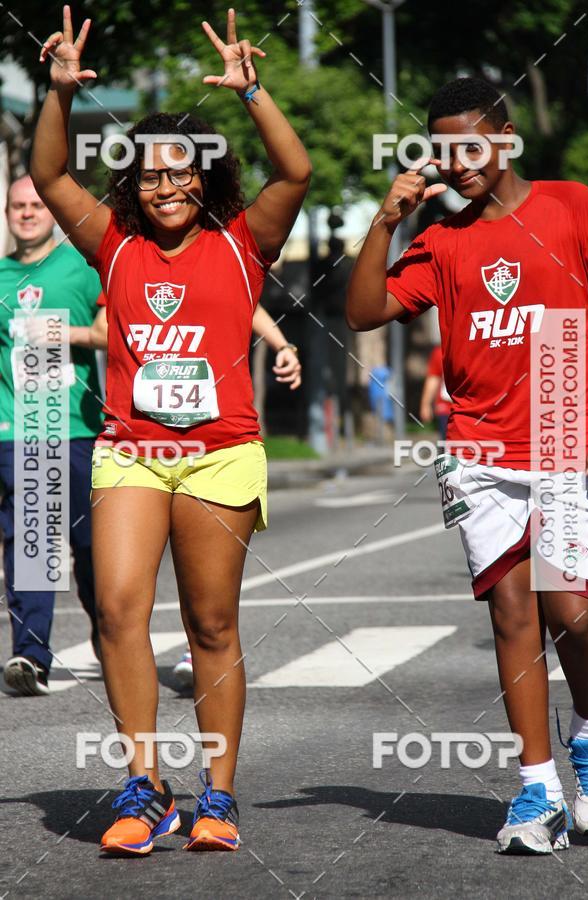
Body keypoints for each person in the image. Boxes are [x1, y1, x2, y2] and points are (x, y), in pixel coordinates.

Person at [33, 6, 310, 854]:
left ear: (205, 177)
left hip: (222, 456)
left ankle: (216, 798)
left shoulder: (242, 242)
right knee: (117, 610)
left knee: (211, 625)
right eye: (150, 176)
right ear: (133, 184)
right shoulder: (112, 244)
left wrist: (254, 92)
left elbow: (293, 173)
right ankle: (143, 788)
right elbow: (48, 177)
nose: (165, 188)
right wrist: (58, 96)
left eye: (181, 174)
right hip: (132, 452)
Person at [346, 77, 588, 854]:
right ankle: (537, 792)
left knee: (574, 613)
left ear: (508, 138)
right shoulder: (444, 239)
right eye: (445, 148)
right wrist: (387, 220)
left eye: (473, 145)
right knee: (513, 615)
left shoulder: (572, 207)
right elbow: (362, 312)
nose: (458, 162)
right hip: (479, 447)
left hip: (565, 426)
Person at [0, 175, 107, 696]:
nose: (26, 213)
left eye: (36, 205)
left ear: (53, 213)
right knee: (32, 544)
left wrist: (65, 332)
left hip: (80, 429)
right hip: (19, 430)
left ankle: (111, 639)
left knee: (93, 552)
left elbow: (115, 332)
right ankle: (30, 657)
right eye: (17, 206)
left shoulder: (84, 267)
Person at [173, 309, 301, 690]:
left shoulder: (224, 257)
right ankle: (89, 638)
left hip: (216, 441)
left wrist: (283, 345)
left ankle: (195, 645)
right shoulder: (127, 256)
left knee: (199, 568)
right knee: (96, 575)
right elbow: (105, 327)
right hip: (102, 433)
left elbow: (249, 301)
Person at [419, 345, 450, 439]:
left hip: (473, 407)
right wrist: (425, 404)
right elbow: (433, 378)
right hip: (447, 407)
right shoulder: (440, 351)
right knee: (446, 445)